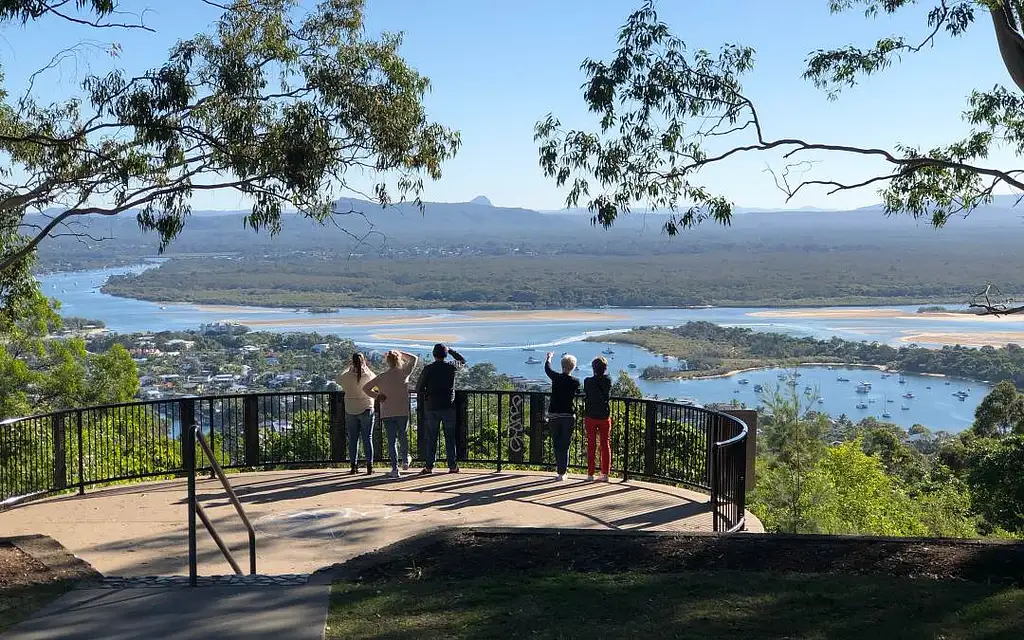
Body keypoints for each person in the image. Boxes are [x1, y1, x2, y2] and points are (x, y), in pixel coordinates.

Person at [362, 350, 419, 479]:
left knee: (391, 441)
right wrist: (401, 352)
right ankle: (405, 459)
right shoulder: (404, 373)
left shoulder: (381, 377)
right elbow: (414, 358)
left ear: (387, 361)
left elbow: (365, 388)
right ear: (398, 360)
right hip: (402, 411)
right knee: (403, 436)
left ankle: (395, 468)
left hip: (387, 412)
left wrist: (377, 396)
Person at [415, 343, 467, 474]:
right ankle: (452, 466)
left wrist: (427, 393)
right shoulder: (451, 367)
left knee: (432, 437)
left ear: (433, 355)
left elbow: (419, 388)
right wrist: (451, 351)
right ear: (445, 354)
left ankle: (429, 466)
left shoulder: (428, 369)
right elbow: (463, 361)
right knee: (450, 437)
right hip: (448, 406)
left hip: (432, 407)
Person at [337, 352, 377, 475]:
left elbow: (337, 378)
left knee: (353, 439)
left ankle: (353, 466)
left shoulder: (347, 376)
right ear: (363, 362)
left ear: (352, 362)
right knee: (367, 438)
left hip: (351, 409)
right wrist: (366, 367)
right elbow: (376, 380)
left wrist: (347, 367)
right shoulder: (368, 375)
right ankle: (369, 466)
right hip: (366, 408)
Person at [545, 351, 580, 481]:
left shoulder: (556, 377)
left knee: (556, 443)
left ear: (562, 366)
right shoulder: (575, 382)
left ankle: (560, 470)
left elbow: (547, 369)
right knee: (565, 444)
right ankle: (562, 472)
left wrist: (549, 358)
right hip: (568, 416)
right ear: (573, 367)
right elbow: (579, 392)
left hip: (554, 415)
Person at [584, 356, 613, 482]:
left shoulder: (587, 381)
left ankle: (590, 474)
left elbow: (587, 392)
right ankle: (605, 473)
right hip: (604, 416)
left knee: (591, 445)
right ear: (605, 369)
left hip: (590, 415)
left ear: (593, 369)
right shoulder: (608, 380)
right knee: (605, 445)